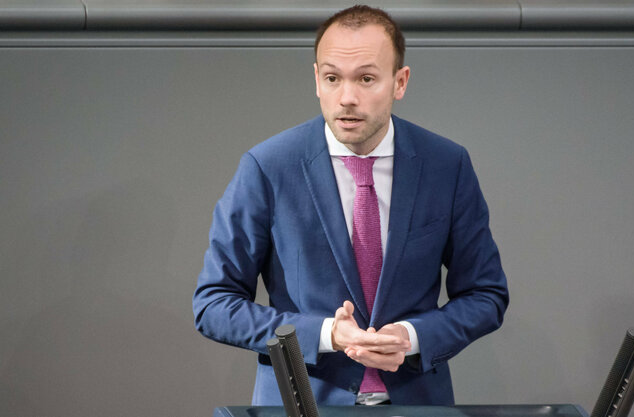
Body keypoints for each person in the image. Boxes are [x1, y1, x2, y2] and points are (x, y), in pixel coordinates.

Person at [193, 5, 508, 406]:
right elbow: (214, 304)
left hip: (417, 404)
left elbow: (486, 294)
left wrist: (412, 338)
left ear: (400, 82)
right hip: (302, 404)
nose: (347, 98)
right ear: (316, 80)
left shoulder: (447, 164)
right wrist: (326, 334)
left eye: (366, 79)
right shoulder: (268, 167)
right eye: (332, 78)